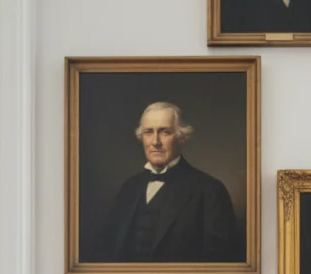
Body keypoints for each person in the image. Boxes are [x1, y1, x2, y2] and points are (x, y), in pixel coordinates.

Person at [99, 101, 239, 263]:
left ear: (181, 137)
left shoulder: (210, 190)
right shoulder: (129, 187)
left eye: (165, 132)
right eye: (148, 132)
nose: (155, 142)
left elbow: (220, 260)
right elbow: (107, 250)